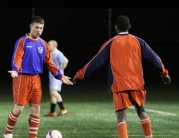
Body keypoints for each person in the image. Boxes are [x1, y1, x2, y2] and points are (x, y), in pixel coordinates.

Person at [73, 15, 171, 138]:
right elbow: (154, 58)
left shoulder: (111, 43)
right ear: (129, 27)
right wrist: (164, 73)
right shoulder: (138, 41)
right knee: (142, 112)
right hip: (137, 84)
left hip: (119, 85)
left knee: (121, 118)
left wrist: (80, 74)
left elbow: (95, 61)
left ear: (116, 28)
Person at [4, 16, 73, 138]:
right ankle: (8, 133)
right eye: (36, 27)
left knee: (36, 109)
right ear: (31, 26)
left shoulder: (44, 44)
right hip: (22, 78)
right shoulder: (22, 41)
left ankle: (32, 136)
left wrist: (60, 76)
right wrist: (15, 70)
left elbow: (50, 64)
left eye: (41, 28)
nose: (39, 30)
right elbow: (17, 57)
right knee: (19, 109)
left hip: (36, 80)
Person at [44, 40, 69, 117]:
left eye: (49, 45)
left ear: (54, 46)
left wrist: (60, 70)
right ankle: (52, 112)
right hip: (52, 75)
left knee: (53, 92)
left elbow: (66, 61)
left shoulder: (58, 53)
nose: (47, 46)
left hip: (57, 76)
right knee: (52, 93)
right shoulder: (51, 53)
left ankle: (63, 109)